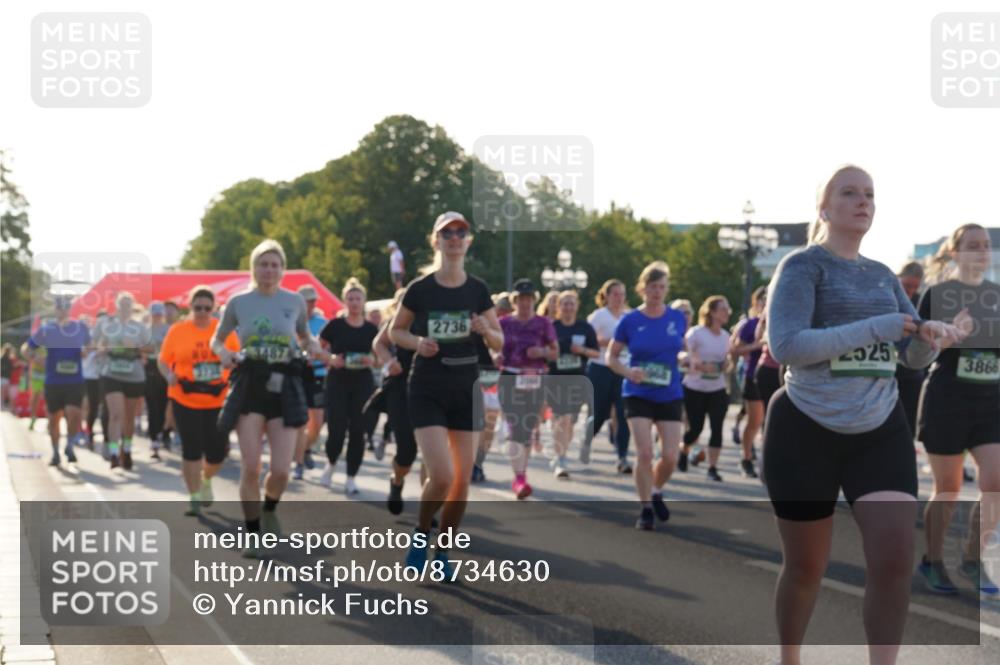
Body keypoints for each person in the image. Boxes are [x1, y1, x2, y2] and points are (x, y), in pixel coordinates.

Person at [764, 165, 962, 665]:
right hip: (806, 426)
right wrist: (874, 327)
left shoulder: (881, 275)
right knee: (807, 567)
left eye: (869, 194)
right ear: (824, 208)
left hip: (878, 429)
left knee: (894, 560)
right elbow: (786, 345)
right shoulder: (803, 266)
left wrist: (929, 340)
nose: (862, 201)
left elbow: (905, 353)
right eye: (849, 192)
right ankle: (790, 657)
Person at [390, 211, 502, 574]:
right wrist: (418, 341)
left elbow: (500, 342)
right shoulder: (420, 289)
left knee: (461, 483)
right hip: (427, 387)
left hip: (466, 388)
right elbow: (396, 332)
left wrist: (485, 327)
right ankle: (421, 535)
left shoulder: (478, 289)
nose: (454, 238)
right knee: (441, 476)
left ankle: (443, 554)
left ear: (467, 241)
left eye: (461, 232)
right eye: (447, 233)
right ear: (435, 241)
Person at [213, 239, 324, 557]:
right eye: (264, 264)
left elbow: (304, 335)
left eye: (275, 265)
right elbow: (217, 339)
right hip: (250, 383)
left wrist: (311, 346)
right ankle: (252, 533)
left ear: (282, 270)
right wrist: (223, 353)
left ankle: (270, 507)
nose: (269, 270)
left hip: (285, 383)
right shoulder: (239, 302)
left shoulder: (294, 301)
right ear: (254, 268)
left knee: (281, 470)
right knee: (250, 466)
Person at [916, 223, 999, 598]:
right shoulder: (938, 295)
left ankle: (971, 557)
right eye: (972, 245)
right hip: (947, 400)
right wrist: (949, 334)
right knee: (947, 488)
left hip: (990, 403)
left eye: (986, 245)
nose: (982, 251)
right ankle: (932, 560)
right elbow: (917, 356)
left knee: (995, 483)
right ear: (955, 252)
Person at [607, 262, 686, 530]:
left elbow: (682, 350)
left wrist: (687, 358)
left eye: (662, 287)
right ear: (643, 289)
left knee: (671, 456)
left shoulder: (677, 318)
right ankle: (646, 509)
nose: (657, 292)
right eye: (653, 287)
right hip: (638, 391)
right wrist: (628, 372)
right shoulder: (630, 320)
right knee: (644, 453)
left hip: (669, 392)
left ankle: (655, 488)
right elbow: (612, 356)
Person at [158, 286, 239, 516]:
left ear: (213, 308)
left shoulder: (224, 331)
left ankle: (206, 480)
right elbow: (163, 361)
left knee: (217, 454)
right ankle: (193, 496)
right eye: (198, 307)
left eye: (207, 308)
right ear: (191, 307)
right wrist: (169, 375)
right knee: (191, 450)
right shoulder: (178, 331)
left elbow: (236, 357)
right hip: (185, 398)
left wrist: (230, 362)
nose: (202, 312)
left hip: (217, 399)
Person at [319, 278, 380, 495]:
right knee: (336, 429)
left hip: (362, 383)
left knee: (358, 431)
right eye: (350, 298)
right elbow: (318, 349)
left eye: (358, 298)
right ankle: (331, 463)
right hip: (337, 382)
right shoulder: (335, 325)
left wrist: (372, 360)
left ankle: (351, 477)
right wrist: (331, 358)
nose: (354, 302)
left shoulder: (372, 329)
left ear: (364, 301)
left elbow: (381, 356)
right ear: (345, 301)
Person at [498, 279, 559, 497]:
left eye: (529, 299)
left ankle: (521, 474)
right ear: (514, 301)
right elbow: (493, 347)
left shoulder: (543, 323)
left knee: (528, 427)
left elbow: (555, 352)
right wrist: (496, 356)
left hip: (535, 379)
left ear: (534, 300)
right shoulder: (504, 323)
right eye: (521, 299)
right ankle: (520, 478)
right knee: (516, 425)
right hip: (511, 377)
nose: (525, 303)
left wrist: (541, 353)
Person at [26, 295, 90, 465]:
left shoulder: (80, 328)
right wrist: (34, 358)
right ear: (55, 309)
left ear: (70, 309)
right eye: (59, 307)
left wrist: (86, 352)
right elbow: (27, 348)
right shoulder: (47, 329)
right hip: (53, 381)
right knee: (53, 418)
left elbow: (90, 346)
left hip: (75, 380)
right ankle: (55, 452)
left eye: (66, 306)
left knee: (73, 413)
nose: (62, 310)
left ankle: (69, 446)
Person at [92, 292, 154, 470]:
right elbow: (99, 343)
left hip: (134, 375)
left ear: (132, 306)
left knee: (128, 417)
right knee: (115, 414)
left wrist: (134, 346)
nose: (125, 307)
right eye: (122, 304)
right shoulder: (108, 324)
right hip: (112, 374)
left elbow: (151, 348)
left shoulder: (139, 326)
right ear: (117, 306)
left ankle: (126, 450)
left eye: (129, 304)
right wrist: (103, 349)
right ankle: (113, 453)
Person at [372, 289, 418, 514]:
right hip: (400, 387)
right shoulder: (394, 324)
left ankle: (428, 508)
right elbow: (379, 344)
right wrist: (390, 362)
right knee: (407, 450)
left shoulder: (432, 318)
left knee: (432, 454)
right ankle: (397, 480)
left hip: (432, 385)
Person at [679, 296, 733, 481]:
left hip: (717, 388)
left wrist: (726, 365)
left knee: (717, 428)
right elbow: (686, 356)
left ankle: (712, 468)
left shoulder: (726, 336)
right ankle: (684, 450)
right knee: (696, 429)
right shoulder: (696, 333)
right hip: (694, 387)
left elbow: (728, 361)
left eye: (728, 309)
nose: (727, 312)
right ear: (711, 312)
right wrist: (698, 364)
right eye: (723, 309)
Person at [548, 290, 599, 478]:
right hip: (555, 379)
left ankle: (560, 452)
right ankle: (561, 460)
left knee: (570, 422)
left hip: (577, 379)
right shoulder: (552, 327)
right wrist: (551, 353)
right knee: (563, 418)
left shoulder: (585, 327)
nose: (568, 307)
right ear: (558, 307)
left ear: (576, 306)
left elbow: (597, 353)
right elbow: (544, 351)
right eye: (565, 303)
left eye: (571, 303)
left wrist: (582, 350)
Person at [583, 279, 631, 471]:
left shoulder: (629, 316)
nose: (619, 298)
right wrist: (610, 342)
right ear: (606, 296)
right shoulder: (598, 316)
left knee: (623, 414)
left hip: (622, 368)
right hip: (600, 367)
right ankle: (586, 441)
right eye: (615, 294)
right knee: (599, 413)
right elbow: (589, 340)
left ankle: (622, 457)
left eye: (621, 294)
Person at [730, 287, 767, 478]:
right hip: (754, 375)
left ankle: (769, 461)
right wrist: (758, 345)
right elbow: (735, 349)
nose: (766, 302)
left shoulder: (782, 321)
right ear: (756, 303)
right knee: (755, 421)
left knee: (772, 423)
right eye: (763, 299)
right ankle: (746, 458)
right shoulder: (750, 324)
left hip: (780, 377)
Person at [293, 285, 326, 480]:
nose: (311, 304)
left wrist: (323, 356)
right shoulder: (290, 321)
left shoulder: (323, 322)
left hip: (318, 375)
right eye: (307, 301)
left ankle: (305, 449)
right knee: (300, 422)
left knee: (318, 423)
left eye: (313, 301)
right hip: (297, 374)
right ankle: (298, 463)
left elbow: (330, 346)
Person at [146, 302, 172, 459]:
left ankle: (164, 432)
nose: (156, 316)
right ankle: (154, 438)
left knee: (164, 405)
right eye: (154, 313)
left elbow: (171, 348)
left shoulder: (169, 329)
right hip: (149, 367)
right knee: (152, 405)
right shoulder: (145, 329)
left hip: (165, 367)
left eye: (159, 313)